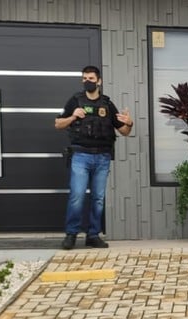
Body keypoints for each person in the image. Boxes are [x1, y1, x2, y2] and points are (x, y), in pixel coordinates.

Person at [54, 65, 133, 250]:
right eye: (84, 78)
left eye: (90, 78)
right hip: (81, 156)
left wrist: (129, 123)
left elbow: (124, 131)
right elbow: (58, 124)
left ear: (99, 81)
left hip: (102, 158)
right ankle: (71, 235)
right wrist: (73, 117)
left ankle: (93, 235)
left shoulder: (107, 104)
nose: (87, 82)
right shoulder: (75, 100)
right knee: (77, 196)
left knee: (98, 198)